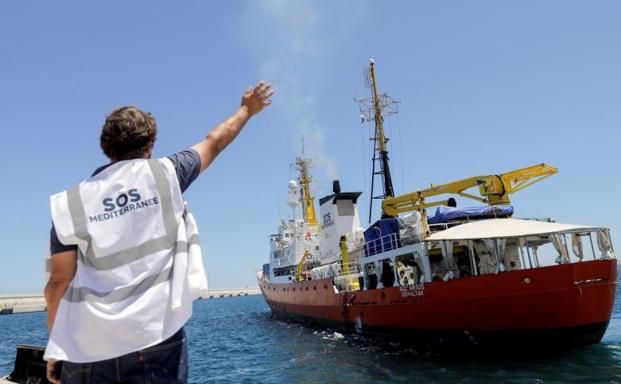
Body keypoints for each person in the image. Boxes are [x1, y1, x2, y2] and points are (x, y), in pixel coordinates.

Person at [44, 81, 274, 383]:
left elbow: (58, 282)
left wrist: (56, 347)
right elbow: (215, 141)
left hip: (87, 348)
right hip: (155, 339)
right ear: (149, 146)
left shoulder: (69, 204)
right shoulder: (166, 174)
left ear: (106, 147)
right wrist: (246, 109)